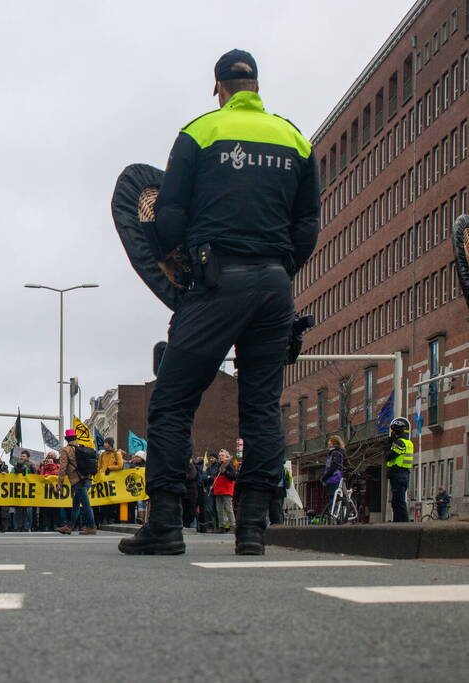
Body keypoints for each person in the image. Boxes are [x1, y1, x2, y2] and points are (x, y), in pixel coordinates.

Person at [119, 49, 320, 557]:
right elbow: (307, 228)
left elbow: (167, 217)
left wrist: (184, 264)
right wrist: (277, 269)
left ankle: (164, 524)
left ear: (220, 89)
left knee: (171, 402)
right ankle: (252, 528)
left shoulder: (200, 132)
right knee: (261, 409)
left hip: (216, 280)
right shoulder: (295, 138)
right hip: (275, 284)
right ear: (257, 86)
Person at [56, 429, 97, 535]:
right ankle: (69, 526)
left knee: (85, 504)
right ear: (75, 438)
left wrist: (59, 483)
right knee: (76, 504)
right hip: (87, 479)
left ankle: (91, 526)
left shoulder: (65, 450)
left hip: (77, 480)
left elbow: (63, 467)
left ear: (66, 439)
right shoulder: (81, 448)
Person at [386, 417, 413, 522]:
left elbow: (389, 456)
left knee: (398, 501)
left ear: (395, 431)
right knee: (397, 501)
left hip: (398, 473)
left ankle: (403, 523)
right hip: (404, 473)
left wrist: (389, 444)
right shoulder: (408, 442)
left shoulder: (399, 443)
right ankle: (399, 522)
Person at [96, 439, 124, 525]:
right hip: (103, 479)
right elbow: (99, 466)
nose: (104, 444)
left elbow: (120, 465)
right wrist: (99, 474)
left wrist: (110, 468)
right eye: (104, 443)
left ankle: (111, 517)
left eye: (106, 443)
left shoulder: (117, 454)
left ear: (110, 444)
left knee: (112, 500)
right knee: (104, 499)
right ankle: (104, 518)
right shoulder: (102, 455)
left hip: (113, 480)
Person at [212, 450, 237, 532]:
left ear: (227, 457)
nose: (220, 457)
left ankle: (233, 525)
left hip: (226, 490)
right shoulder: (218, 465)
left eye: (222, 455)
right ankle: (221, 526)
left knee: (229, 508)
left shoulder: (229, 465)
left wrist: (226, 472)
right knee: (219, 509)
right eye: (219, 455)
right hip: (218, 490)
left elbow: (234, 476)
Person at [11, 450, 36, 532]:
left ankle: (27, 526)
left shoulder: (31, 464)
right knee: (17, 509)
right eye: (21, 456)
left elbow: (35, 476)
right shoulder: (16, 465)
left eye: (24, 456)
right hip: (18, 490)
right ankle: (17, 526)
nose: (22, 457)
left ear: (27, 457)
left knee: (28, 509)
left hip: (28, 490)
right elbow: (11, 474)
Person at [38, 452, 62, 531]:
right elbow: (40, 478)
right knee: (45, 511)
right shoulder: (43, 469)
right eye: (48, 461)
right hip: (45, 493)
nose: (49, 463)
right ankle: (46, 525)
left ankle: (55, 524)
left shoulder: (58, 468)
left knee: (55, 510)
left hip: (55, 493)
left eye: (51, 462)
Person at [322, 436, 346, 509]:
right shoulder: (332, 453)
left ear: (333, 442)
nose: (328, 442)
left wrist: (324, 477)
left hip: (334, 479)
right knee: (332, 498)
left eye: (330, 441)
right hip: (332, 479)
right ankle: (335, 515)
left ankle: (336, 515)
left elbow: (333, 467)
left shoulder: (335, 453)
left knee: (333, 498)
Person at [268, 461, 292, 525]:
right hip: (281, 492)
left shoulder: (276, 468)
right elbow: (287, 484)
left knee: (275, 510)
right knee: (278, 510)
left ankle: (277, 525)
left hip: (276, 491)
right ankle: (279, 525)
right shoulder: (285, 469)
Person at [183, 453, 200, 528]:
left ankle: (190, 525)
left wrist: (183, 476)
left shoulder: (192, 467)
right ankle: (185, 524)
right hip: (185, 492)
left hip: (191, 492)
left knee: (191, 510)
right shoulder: (183, 467)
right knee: (184, 509)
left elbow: (191, 477)